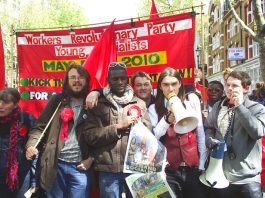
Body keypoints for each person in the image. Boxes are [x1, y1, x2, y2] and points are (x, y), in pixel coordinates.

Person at [82, 62, 152, 198]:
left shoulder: (139, 103)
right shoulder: (97, 104)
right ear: (108, 80)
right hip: (108, 171)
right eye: (115, 79)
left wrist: (139, 127)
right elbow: (90, 136)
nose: (120, 82)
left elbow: (149, 135)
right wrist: (118, 127)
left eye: (123, 78)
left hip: (136, 168)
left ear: (127, 79)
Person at [26, 63, 94, 197]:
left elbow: (99, 136)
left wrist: (92, 158)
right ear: (67, 81)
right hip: (55, 166)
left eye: (80, 77)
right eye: (72, 77)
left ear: (86, 80)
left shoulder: (92, 103)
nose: (76, 81)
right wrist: (31, 145)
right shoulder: (57, 100)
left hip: (80, 167)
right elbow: (39, 128)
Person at [148, 67, 207, 198]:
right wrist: (166, 120)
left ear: (180, 84)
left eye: (174, 84)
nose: (170, 89)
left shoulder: (191, 103)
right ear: (160, 87)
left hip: (192, 168)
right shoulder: (154, 108)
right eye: (166, 84)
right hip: (168, 171)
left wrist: (202, 163)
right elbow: (153, 138)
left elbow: (200, 133)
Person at [205, 71, 265, 198]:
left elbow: (257, 132)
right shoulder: (218, 106)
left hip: (247, 179)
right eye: (227, 85)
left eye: (235, 85)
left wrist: (240, 106)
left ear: (246, 88)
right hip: (222, 177)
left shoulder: (257, 108)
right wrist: (209, 139)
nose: (230, 88)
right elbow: (209, 127)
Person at [0, 88, 37, 198]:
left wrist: (31, 145)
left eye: (5, 102)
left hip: (21, 171)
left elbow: (37, 134)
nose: (0, 105)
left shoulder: (25, 118)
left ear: (15, 104)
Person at [86, 71, 155, 110]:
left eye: (146, 84)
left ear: (151, 86)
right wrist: (95, 92)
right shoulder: (126, 101)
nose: (143, 88)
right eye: (139, 85)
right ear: (133, 87)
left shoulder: (160, 102)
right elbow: (109, 91)